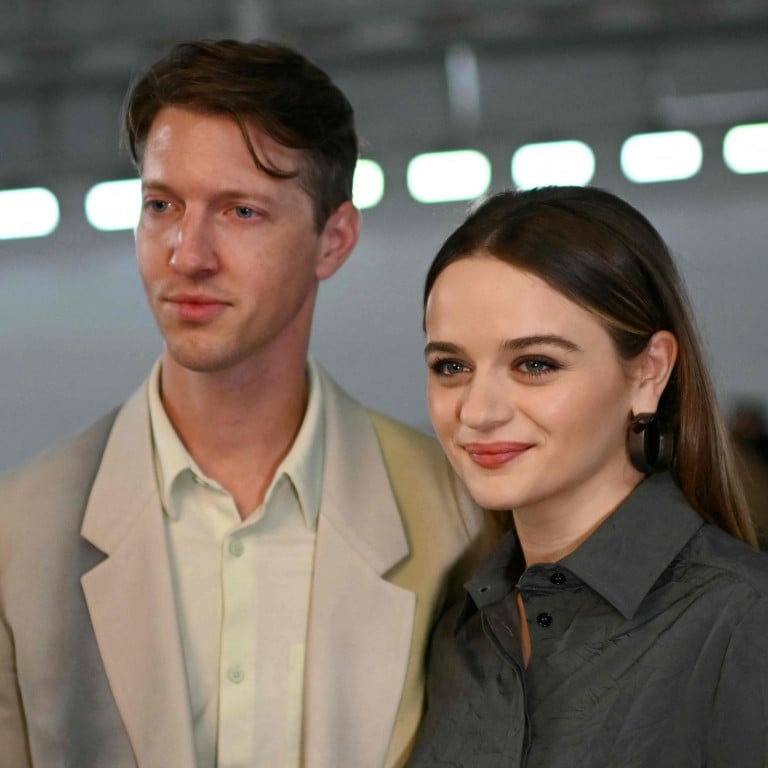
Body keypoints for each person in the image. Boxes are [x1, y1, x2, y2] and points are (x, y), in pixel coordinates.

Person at [0, 40, 489, 768]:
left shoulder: (458, 516)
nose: (187, 253)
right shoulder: (19, 532)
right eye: (161, 205)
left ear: (334, 240)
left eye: (241, 211)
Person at [405, 186, 768, 767]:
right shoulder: (458, 632)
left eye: (535, 364)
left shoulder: (744, 621)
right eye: (451, 366)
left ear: (649, 372)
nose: (477, 411)